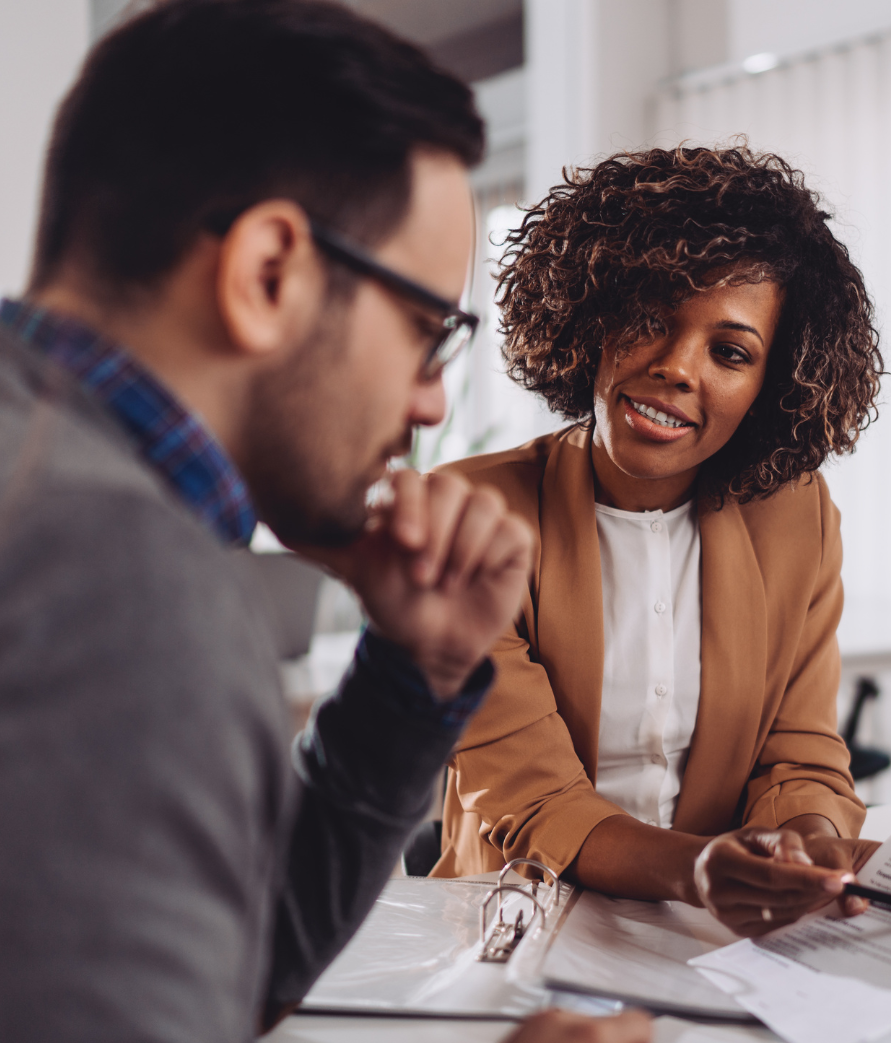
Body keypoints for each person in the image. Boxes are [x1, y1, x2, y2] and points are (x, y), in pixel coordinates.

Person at [0, 2, 650, 1041]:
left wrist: (413, 675)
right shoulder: (126, 579)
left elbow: (227, 967)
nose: (434, 399)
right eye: (426, 330)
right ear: (268, 273)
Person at [434, 145, 885, 935]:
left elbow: (801, 753)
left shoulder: (797, 516)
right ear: (595, 311)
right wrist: (701, 869)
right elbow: (532, 799)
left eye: (731, 352)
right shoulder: (468, 511)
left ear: (771, 383)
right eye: (652, 316)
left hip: (710, 938)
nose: (677, 367)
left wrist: (808, 850)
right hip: (511, 926)